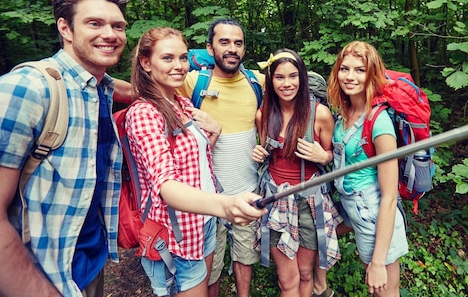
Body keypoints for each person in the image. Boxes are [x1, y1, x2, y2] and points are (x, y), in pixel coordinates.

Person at [0, 0, 128, 296]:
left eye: (118, 26)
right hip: (34, 278)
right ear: (65, 28)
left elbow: (132, 89)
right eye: (94, 23)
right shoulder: (26, 90)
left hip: (85, 267)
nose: (110, 34)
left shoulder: (101, 90)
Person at [124, 26, 266, 297]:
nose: (178, 66)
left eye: (182, 58)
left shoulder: (181, 103)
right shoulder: (144, 113)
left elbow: (196, 158)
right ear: (145, 63)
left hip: (203, 223)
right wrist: (225, 205)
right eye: (167, 58)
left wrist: (215, 131)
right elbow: (165, 184)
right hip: (175, 236)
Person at [174, 18, 264, 297]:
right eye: (224, 42)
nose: (232, 48)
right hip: (206, 196)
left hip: (247, 189)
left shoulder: (256, 82)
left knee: (245, 256)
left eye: (238, 43)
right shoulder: (191, 82)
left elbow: (288, 106)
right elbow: (156, 102)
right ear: (210, 48)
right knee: (209, 265)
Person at [251, 49, 341, 297]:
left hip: (310, 201)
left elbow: (334, 155)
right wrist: (259, 154)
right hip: (276, 201)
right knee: (286, 280)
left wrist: (324, 156)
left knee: (304, 272)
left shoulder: (319, 114)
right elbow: (267, 151)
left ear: (301, 78)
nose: (287, 83)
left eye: (293, 76)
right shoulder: (264, 114)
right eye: (279, 77)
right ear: (271, 80)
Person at [327, 41, 409, 297]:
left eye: (359, 70)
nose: (350, 77)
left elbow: (389, 197)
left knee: (384, 293)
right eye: (345, 68)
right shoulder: (345, 112)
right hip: (353, 209)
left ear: (371, 74)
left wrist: (378, 262)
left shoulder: (379, 123)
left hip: (376, 217)